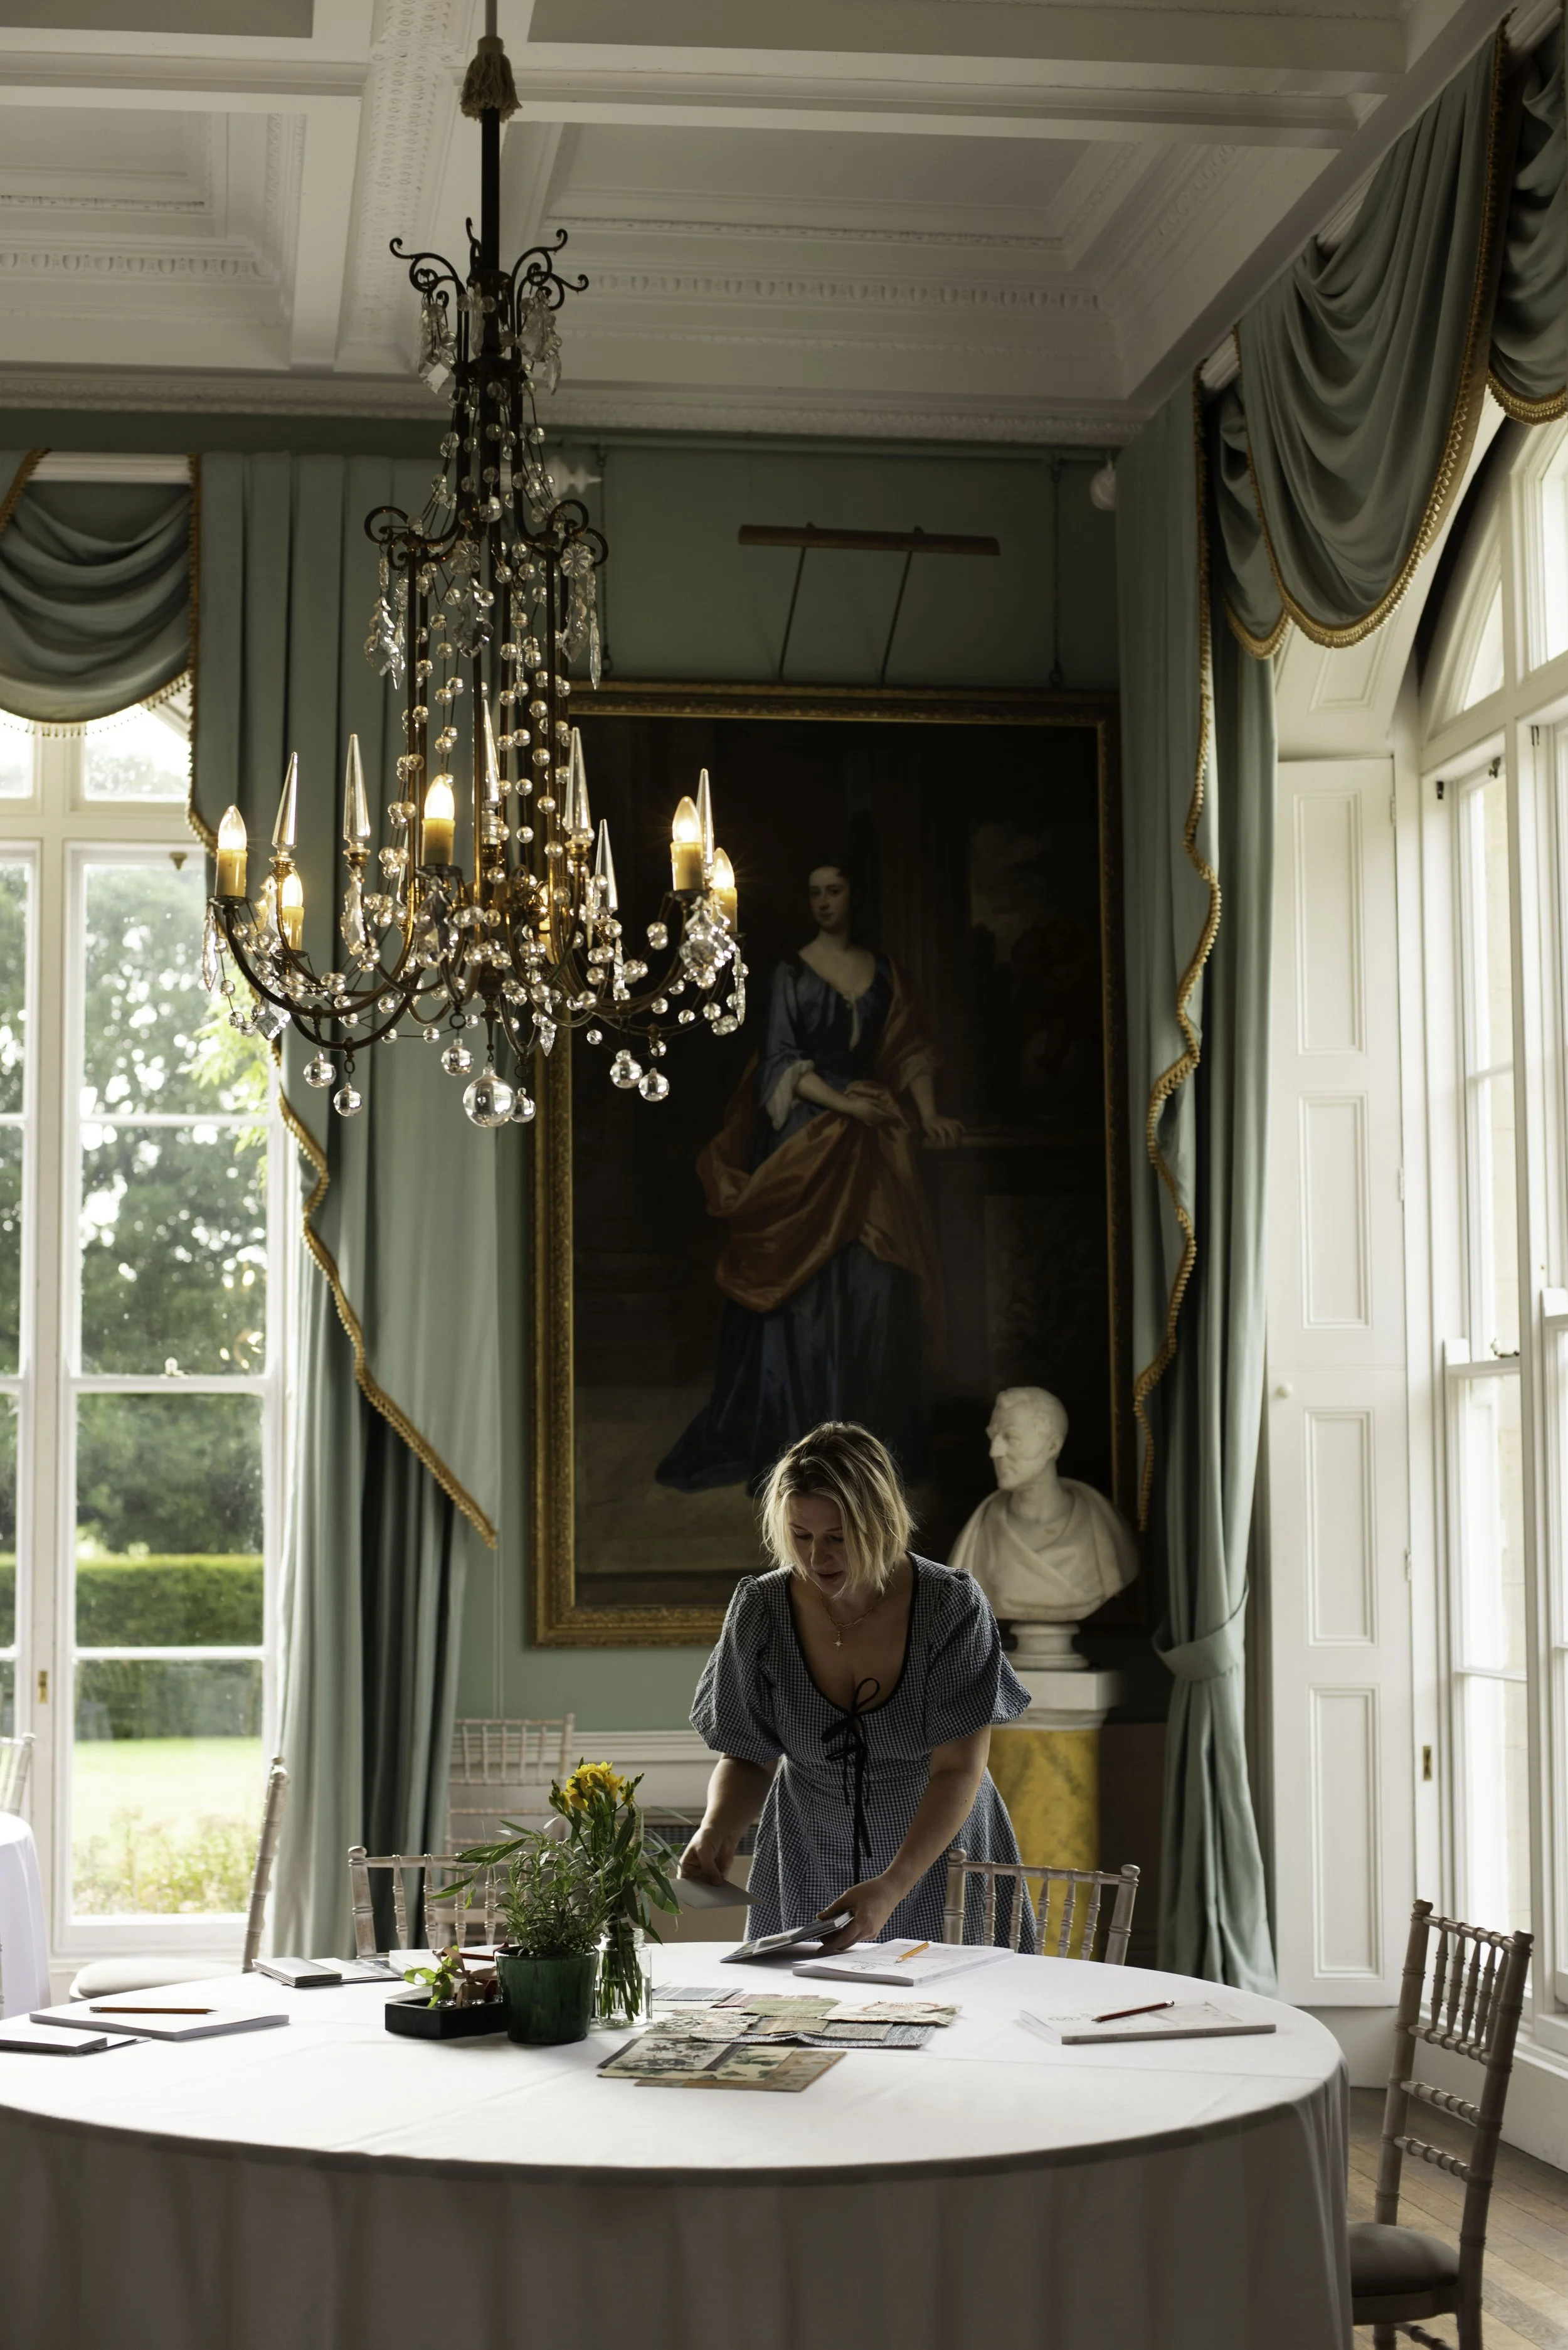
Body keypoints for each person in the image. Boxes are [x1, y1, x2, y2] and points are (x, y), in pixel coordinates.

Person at [655, 858, 961, 1496]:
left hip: (874, 1147)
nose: (824, 902)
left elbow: (909, 1048)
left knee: (876, 1284)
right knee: (805, 1293)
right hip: (808, 1135)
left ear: (854, 895)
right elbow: (782, 1060)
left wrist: (928, 1114)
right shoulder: (790, 972)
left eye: (835, 890)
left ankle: (871, 1444)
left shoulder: (886, 973)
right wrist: (850, 1103)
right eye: (814, 892)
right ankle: (803, 1447)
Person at [684, 1421, 1034, 1950]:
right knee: (799, 2020)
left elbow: (959, 1766)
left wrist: (893, 1884)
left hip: (940, 1851)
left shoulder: (949, 1606)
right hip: (805, 1850)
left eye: (838, 1538)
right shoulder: (761, 1609)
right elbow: (748, 1755)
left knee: (960, 2017)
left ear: (882, 1524)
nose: (816, 1558)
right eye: (800, 1536)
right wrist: (718, 1828)